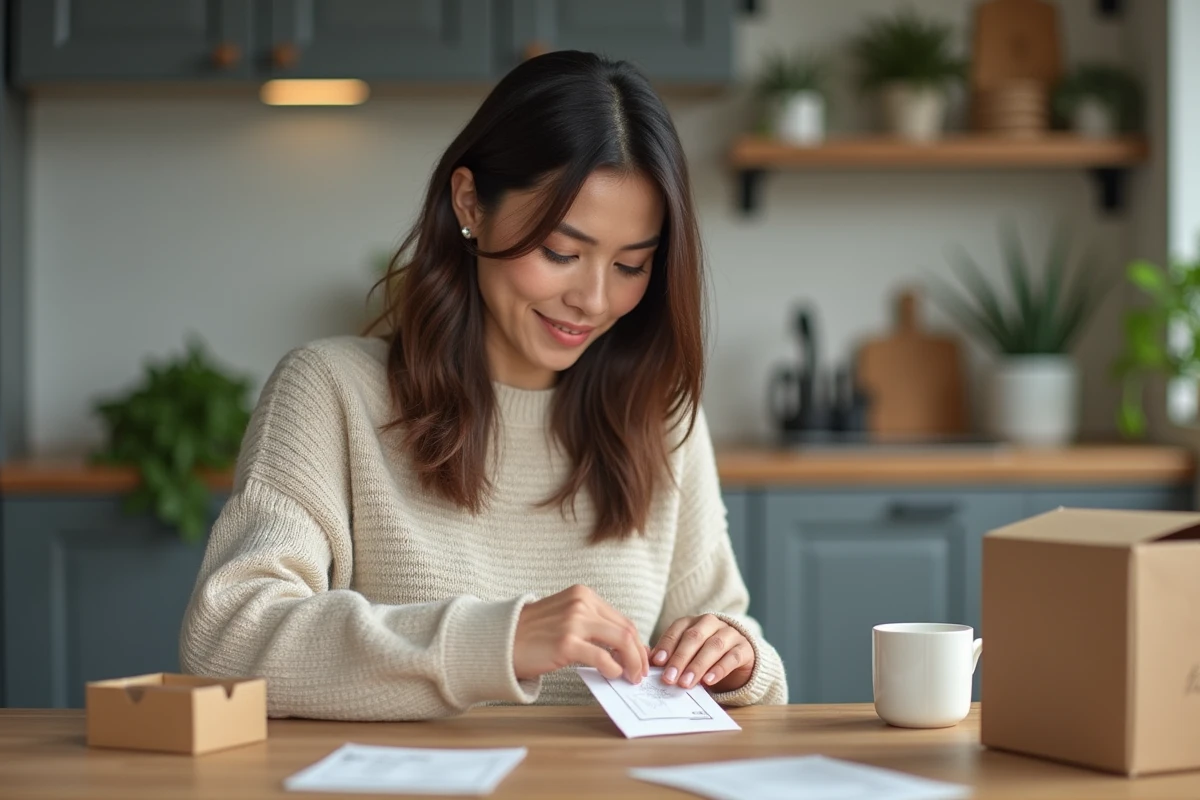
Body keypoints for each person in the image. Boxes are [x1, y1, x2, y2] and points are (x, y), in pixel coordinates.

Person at [179, 50, 787, 721]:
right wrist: (499, 640)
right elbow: (227, 637)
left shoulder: (662, 419)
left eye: (631, 265)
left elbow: (734, 638)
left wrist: (738, 657)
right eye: (561, 253)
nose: (593, 298)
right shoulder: (330, 391)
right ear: (471, 203)